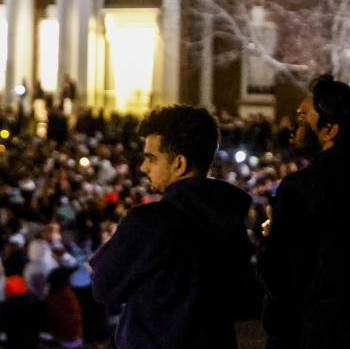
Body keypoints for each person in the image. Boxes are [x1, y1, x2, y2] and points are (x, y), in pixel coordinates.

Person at [90, 105, 252, 349]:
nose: (144, 167)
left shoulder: (150, 221)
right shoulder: (232, 218)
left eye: (151, 158)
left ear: (179, 163)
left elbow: (104, 287)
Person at [259, 75, 350, 349]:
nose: (294, 125)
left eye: (303, 117)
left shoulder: (300, 188)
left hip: (309, 335)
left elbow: (279, 276)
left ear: (329, 130)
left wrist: (269, 238)